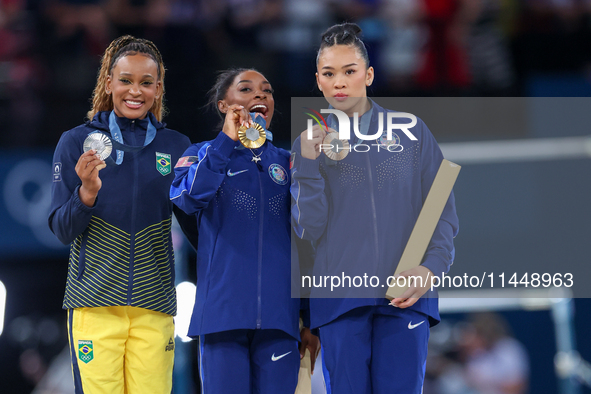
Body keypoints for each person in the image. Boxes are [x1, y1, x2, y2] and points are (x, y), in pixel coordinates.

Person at [290, 23, 459, 393]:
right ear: (317, 80)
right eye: (330, 74)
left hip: (406, 298)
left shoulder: (411, 132)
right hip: (340, 301)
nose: (340, 82)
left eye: (349, 71)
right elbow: (309, 228)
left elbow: (441, 214)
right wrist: (306, 164)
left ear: (368, 74)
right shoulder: (307, 144)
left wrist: (430, 268)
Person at [48, 35, 198, 394]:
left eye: (146, 82)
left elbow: (198, 227)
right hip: (94, 305)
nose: (136, 91)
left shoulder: (176, 146)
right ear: (109, 82)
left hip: (154, 306)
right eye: (126, 80)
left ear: (158, 88)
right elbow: (61, 229)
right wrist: (86, 193)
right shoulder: (75, 142)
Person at [170, 68, 319, 394]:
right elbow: (190, 198)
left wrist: (310, 320)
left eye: (266, 90)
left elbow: (307, 242)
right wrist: (225, 142)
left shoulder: (289, 162)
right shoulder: (199, 154)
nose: (260, 95)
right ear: (224, 105)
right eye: (247, 89)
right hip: (222, 316)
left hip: (280, 318)